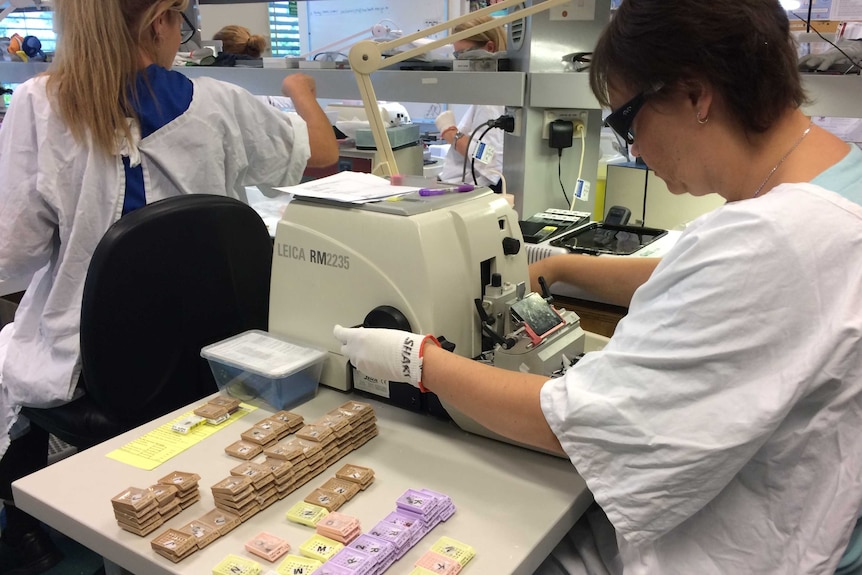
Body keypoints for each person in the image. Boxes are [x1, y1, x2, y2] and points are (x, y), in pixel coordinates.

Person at [334, 0, 862, 573]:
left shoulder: (775, 238)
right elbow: (708, 277)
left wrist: (417, 359)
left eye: (625, 120)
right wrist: (562, 267)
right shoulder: (837, 177)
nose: (632, 148)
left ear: (694, 95)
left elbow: (582, 425)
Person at [0, 1, 337, 573]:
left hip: (98, 369)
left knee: (13, 341)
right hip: (214, 358)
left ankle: (22, 509)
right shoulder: (222, 103)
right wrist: (301, 90)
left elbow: (14, 258)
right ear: (160, 20)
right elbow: (323, 154)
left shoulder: (39, 102)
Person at [435, 15, 507, 191]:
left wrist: (450, 132)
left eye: (462, 54)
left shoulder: (492, 98)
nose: (459, 61)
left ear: (489, 48)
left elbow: (488, 157)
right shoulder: (493, 91)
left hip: (475, 190)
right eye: (456, 54)